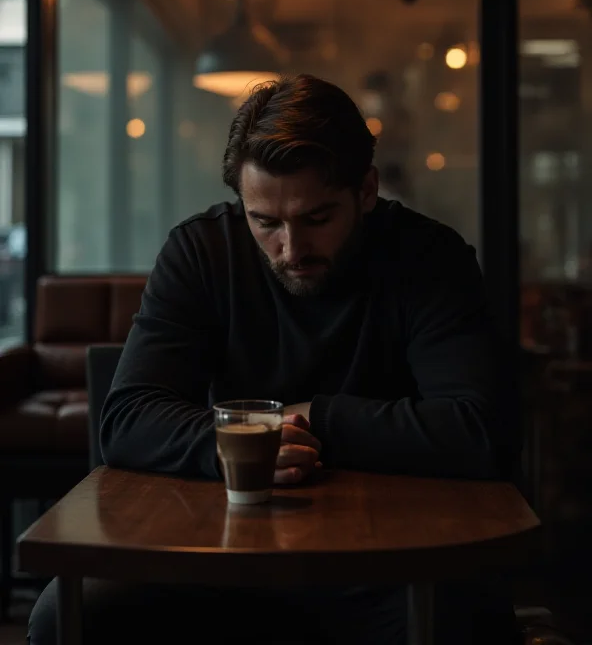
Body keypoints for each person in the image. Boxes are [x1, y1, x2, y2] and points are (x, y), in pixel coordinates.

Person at [29, 74, 522, 645]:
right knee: (66, 617)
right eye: (265, 222)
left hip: (382, 559)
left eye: (316, 219)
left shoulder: (429, 259)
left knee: (470, 621)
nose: (291, 249)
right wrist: (241, 438)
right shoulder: (201, 252)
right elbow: (128, 416)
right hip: (218, 553)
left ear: (365, 190)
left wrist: (317, 417)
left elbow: (481, 429)